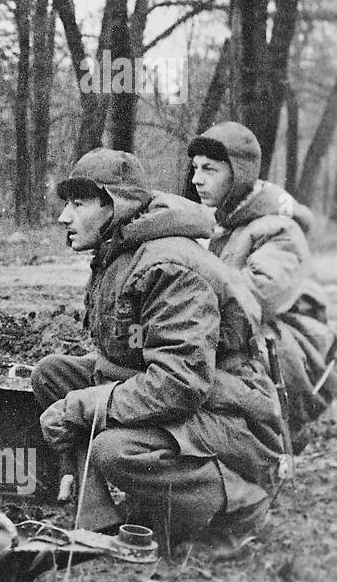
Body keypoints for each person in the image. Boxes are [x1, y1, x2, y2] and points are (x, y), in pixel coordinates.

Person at [31, 149, 285, 559]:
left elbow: (180, 383)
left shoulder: (168, 266)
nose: (65, 217)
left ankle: (241, 505)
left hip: (236, 415)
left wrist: (87, 405)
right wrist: (83, 398)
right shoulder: (121, 251)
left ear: (115, 205)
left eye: (78, 204)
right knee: (52, 376)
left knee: (114, 450)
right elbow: (134, 356)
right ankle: (96, 519)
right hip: (198, 392)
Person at [188, 121, 336, 450]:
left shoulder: (279, 230)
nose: (197, 178)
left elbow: (252, 298)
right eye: (195, 168)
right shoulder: (225, 226)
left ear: (239, 173)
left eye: (209, 169)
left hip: (286, 354)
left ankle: (267, 439)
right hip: (247, 339)